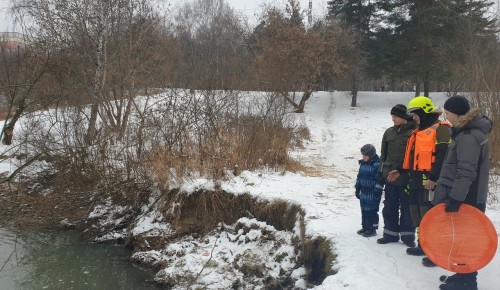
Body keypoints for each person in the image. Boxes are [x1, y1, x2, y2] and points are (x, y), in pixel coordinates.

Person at [432, 95, 492, 290]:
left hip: (466, 197)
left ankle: (467, 281)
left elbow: (466, 171)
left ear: (457, 113)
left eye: (448, 113)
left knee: (465, 238)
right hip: (464, 195)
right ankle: (461, 275)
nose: (446, 117)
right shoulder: (465, 132)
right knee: (459, 237)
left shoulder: (468, 136)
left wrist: (456, 198)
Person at [388, 96, 451, 266]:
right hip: (415, 180)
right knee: (417, 214)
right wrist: (400, 170)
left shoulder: (441, 129)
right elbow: (414, 157)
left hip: (430, 182)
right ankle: (423, 245)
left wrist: (433, 178)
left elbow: (443, 156)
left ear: (424, 111)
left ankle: (436, 252)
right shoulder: (418, 131)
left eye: (415, 114)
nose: (413, 117)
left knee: (430, 216)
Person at [376, 104, 416, 247]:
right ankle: (390, 234)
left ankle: (408, 236)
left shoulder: (413, 132)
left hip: (406, 178)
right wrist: (381, 172)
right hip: (389, 177)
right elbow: (383, 154)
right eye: (392, 116)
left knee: (407, 207)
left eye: (395, 116)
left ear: (404, 116)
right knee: (389, 206)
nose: (393, 119)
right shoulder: (388, 132)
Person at [355, 144, 383, 237]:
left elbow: (379, 180)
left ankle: (372, 229)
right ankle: (365, 226)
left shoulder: (376, 165)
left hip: (372, 193)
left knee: (371, 211)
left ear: (371, 155)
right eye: (362, 155)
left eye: (365, 155)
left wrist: (376, 191)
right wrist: (357, 188)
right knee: (364, 210)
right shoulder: (363, 164)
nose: (363, 157)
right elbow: (359, 177)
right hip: (363, 192)